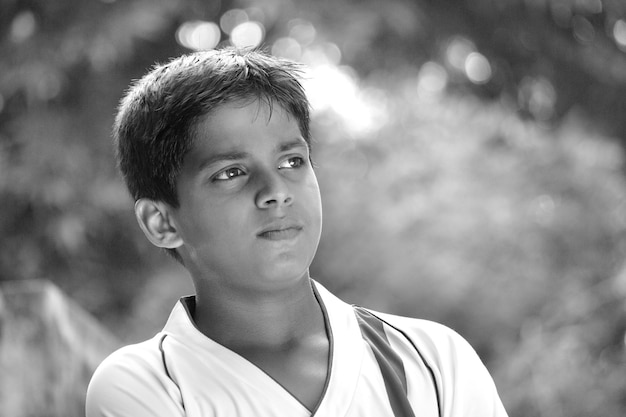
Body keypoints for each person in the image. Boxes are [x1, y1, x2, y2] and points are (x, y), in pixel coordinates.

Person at [86, 47, 508, 417]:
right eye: (231, 173)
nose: (276, 192)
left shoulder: (432, 360)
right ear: (162, 222)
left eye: (291, 162)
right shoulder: (146, 386)